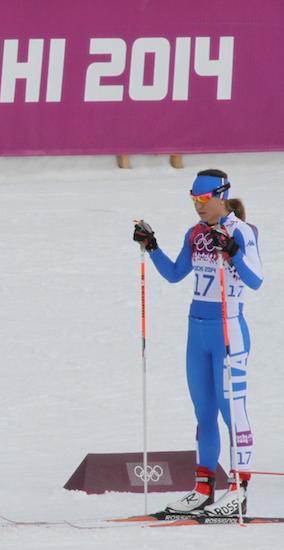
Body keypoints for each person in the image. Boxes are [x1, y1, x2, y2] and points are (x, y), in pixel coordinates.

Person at [133, 169, 262, 516]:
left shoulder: (243, 232)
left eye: (204, 200)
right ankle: (203, 488)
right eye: (194, 200)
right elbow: (176, 274)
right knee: (203, 411)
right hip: (197, 331)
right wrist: (152, 246)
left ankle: (238, 488)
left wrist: (233, 251)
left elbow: (256, 280)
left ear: (222, 196)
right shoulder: (196, 233)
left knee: (230, 411)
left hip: (228, 331)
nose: (198, 207)